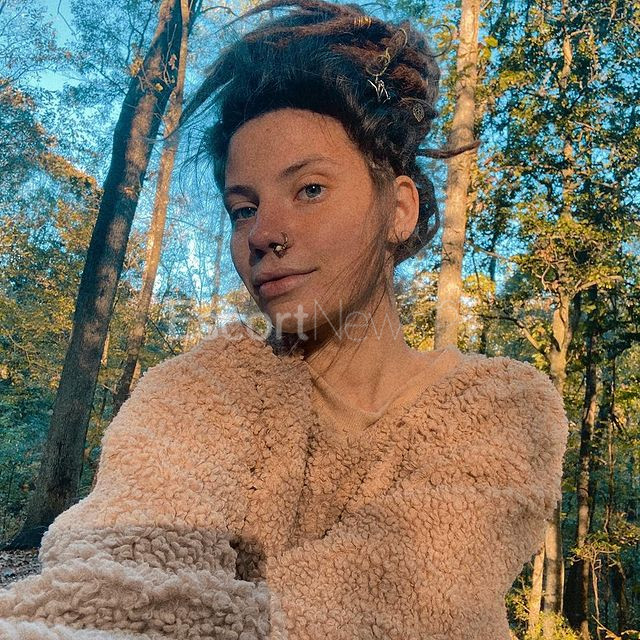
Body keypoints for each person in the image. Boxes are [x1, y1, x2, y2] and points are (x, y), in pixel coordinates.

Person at [0, 1, 569, 638]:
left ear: (399, 208)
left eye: (310, 189)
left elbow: (392, 606)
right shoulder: (197, 393)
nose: (263, 232)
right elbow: (110, 580)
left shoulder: (500, 407)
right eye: (243, 209)